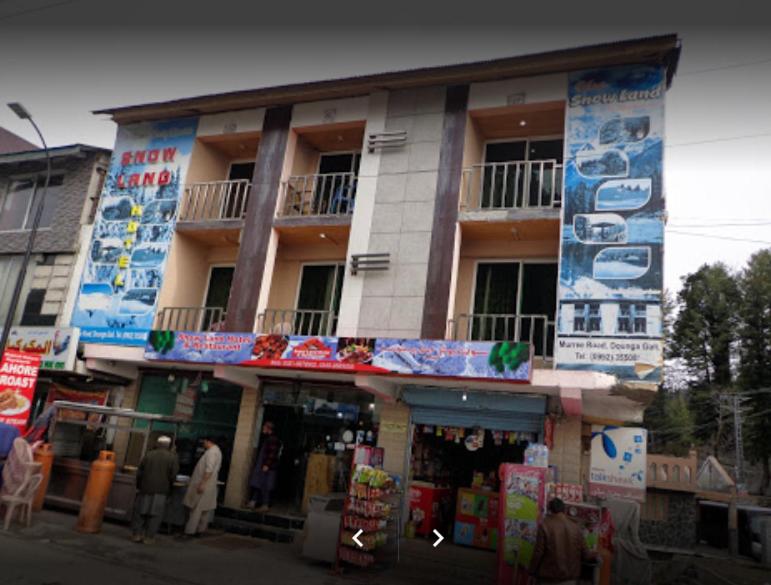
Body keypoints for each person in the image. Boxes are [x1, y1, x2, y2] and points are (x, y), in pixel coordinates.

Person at [530, 498, 598, 585]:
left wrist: (531, 570)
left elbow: (538, 552)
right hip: (570, 579)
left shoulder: (545, 525)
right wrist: (596, 555)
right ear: (564, 510)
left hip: (548, 578)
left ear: (549, 510)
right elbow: (586, 554)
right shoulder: (576, 527)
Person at [131, 435, 179, 544]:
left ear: (158, 444)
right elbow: (173, 476)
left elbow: (139, 473)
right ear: (168, 445)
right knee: (155, 515)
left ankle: (137, 535)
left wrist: (139, 486)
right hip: (161, 491)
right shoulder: (172, 457)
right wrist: (170, 488)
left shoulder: (149, 454)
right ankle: (149, 538)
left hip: (145, 489)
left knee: (140, 513)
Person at [181, 436, 222, 539]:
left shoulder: (212, 452)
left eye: (204, 442)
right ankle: (200, 530)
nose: (203, 443)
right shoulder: (216, 451)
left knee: (196, 509)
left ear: (208, 441)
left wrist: (202, 483)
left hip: (204, 484)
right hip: (209, 484)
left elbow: (209, 469)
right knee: (204, 510)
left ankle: (189, 532)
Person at [247, 421, 281, 512]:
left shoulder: (272, 439)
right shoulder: (268, 439)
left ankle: (264, 504)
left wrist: (267, 464)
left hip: (267, 466)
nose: (263, 429)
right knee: (259, 483)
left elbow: (272, 453)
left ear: (268, 429)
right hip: (264, 465)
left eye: (264, 428)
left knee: (265, 485)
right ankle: (253, 502)